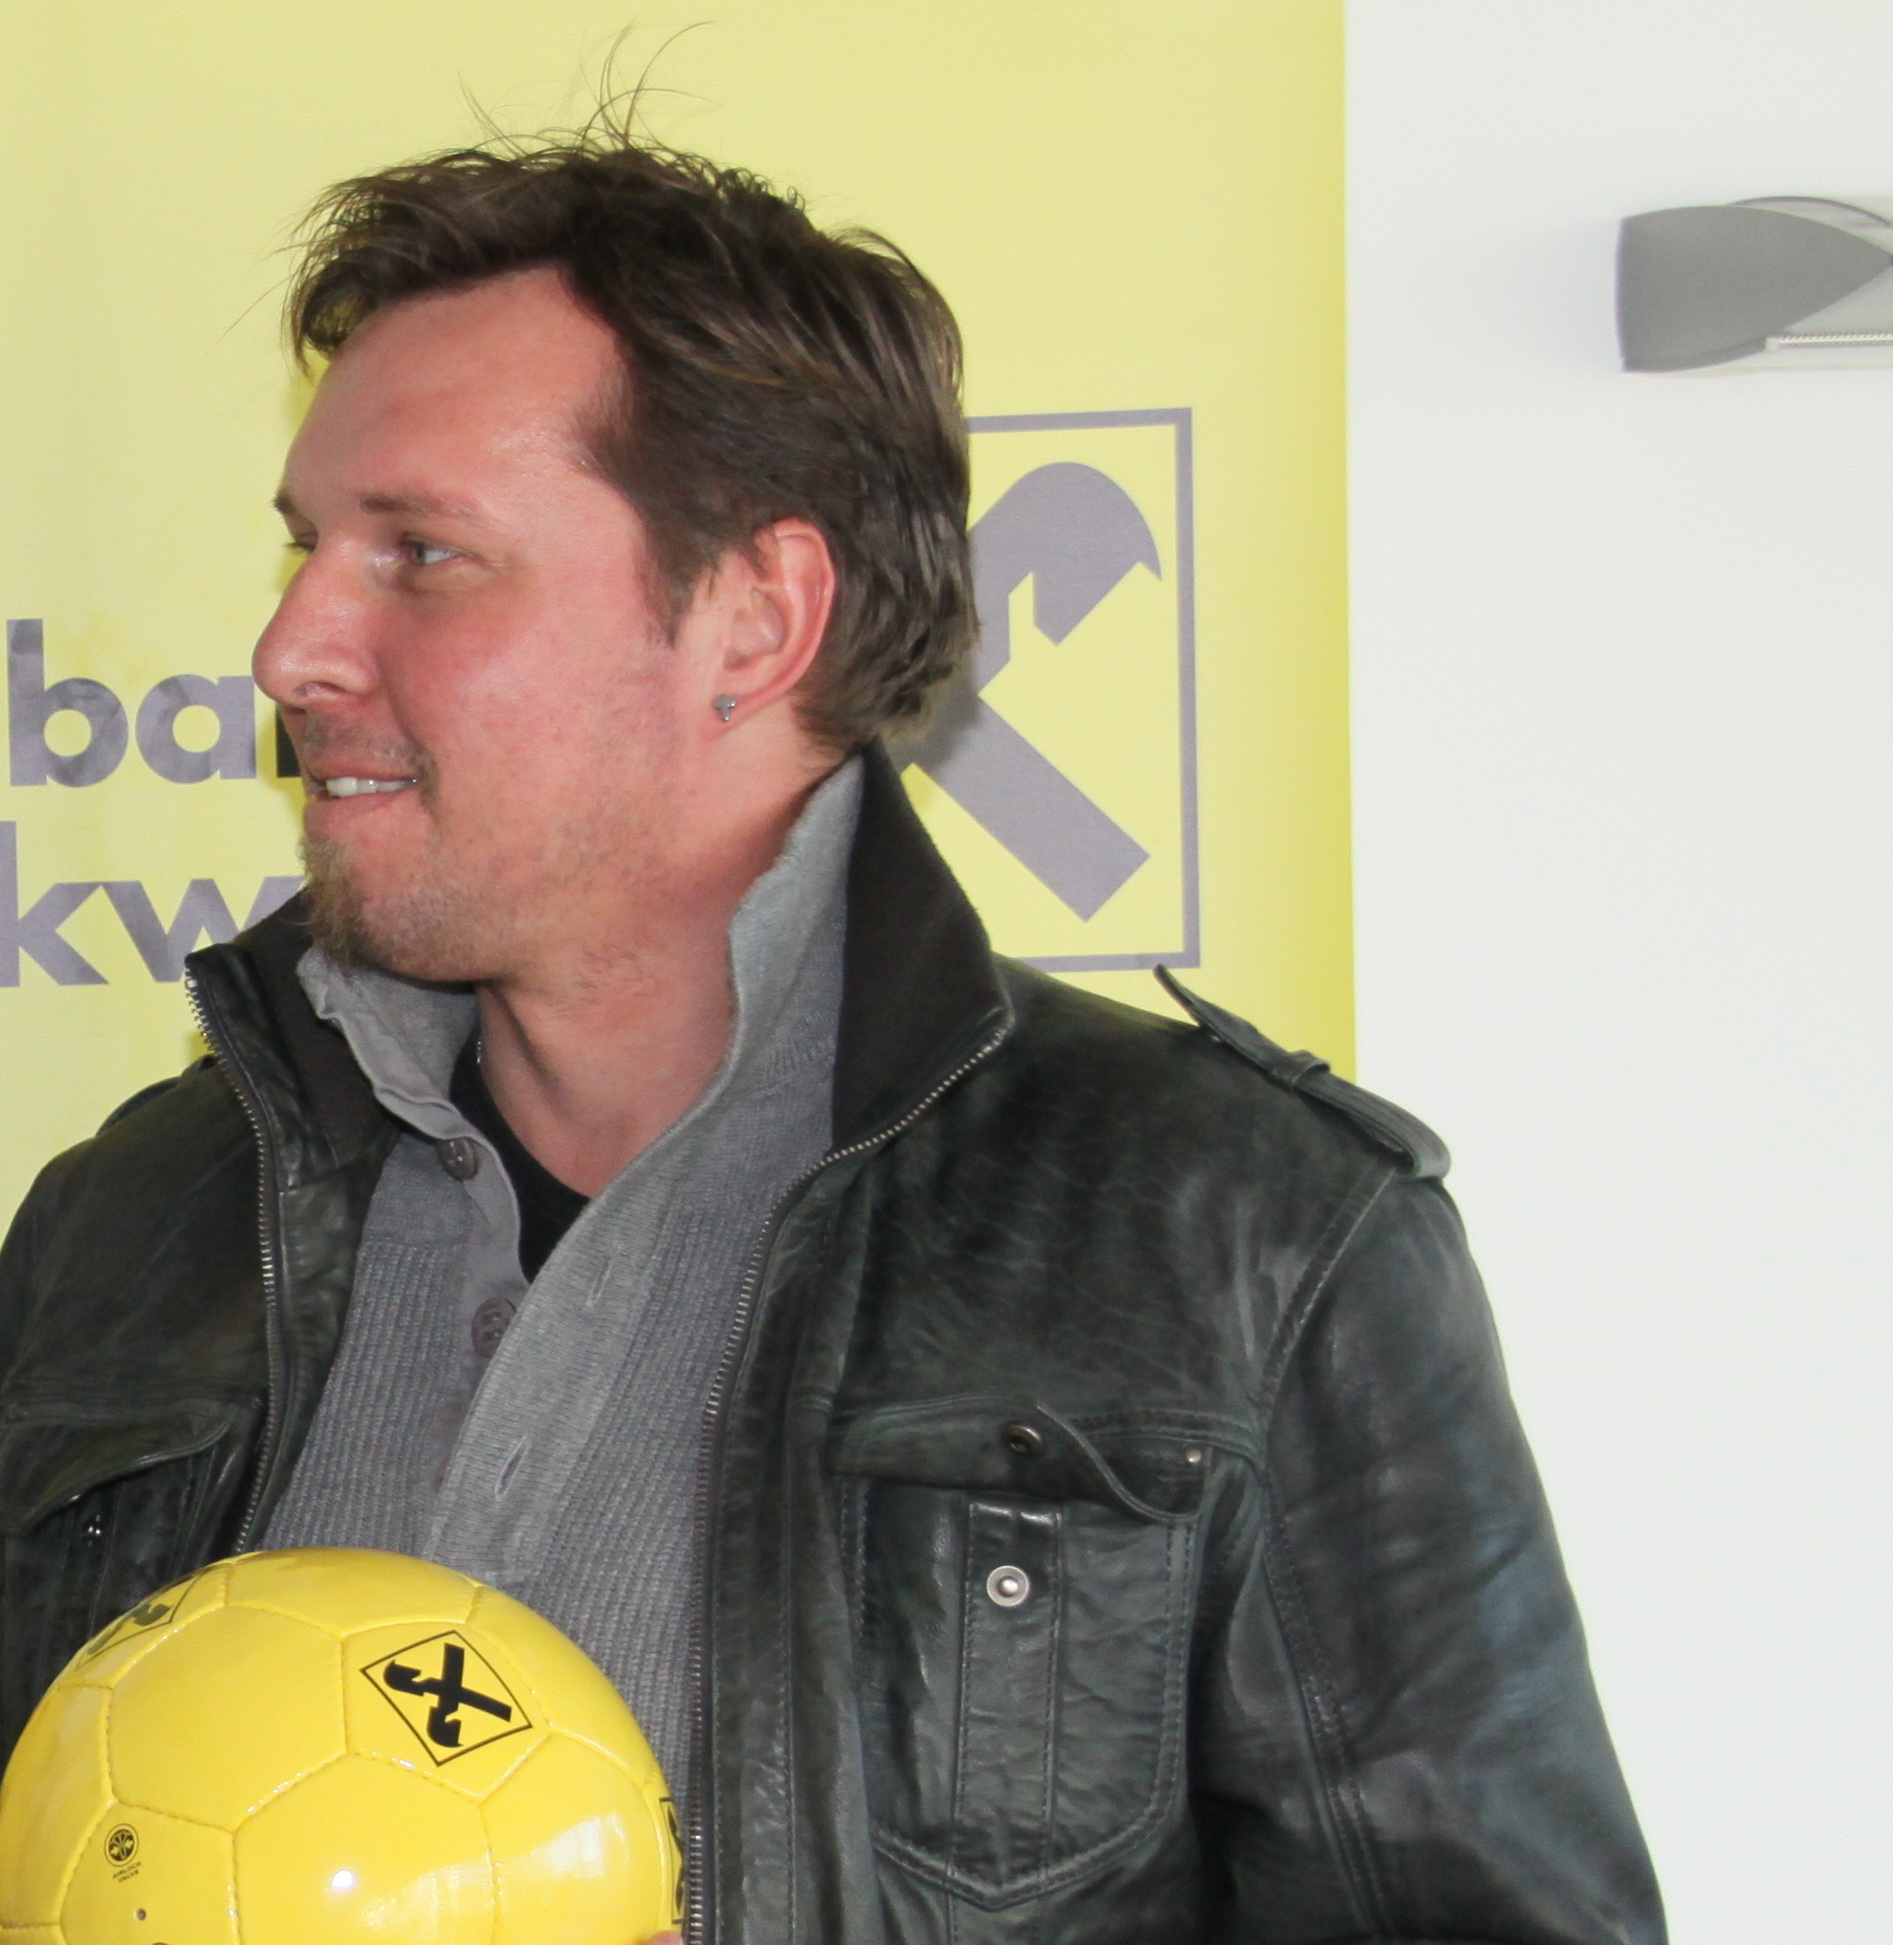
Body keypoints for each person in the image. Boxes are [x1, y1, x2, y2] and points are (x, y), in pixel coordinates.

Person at [0, 128, 1663, 1943]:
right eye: (307, 547)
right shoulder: (127, 1230)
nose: (289, 647)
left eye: (421, 554)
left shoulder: (1246, 1244)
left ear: (755, 618)